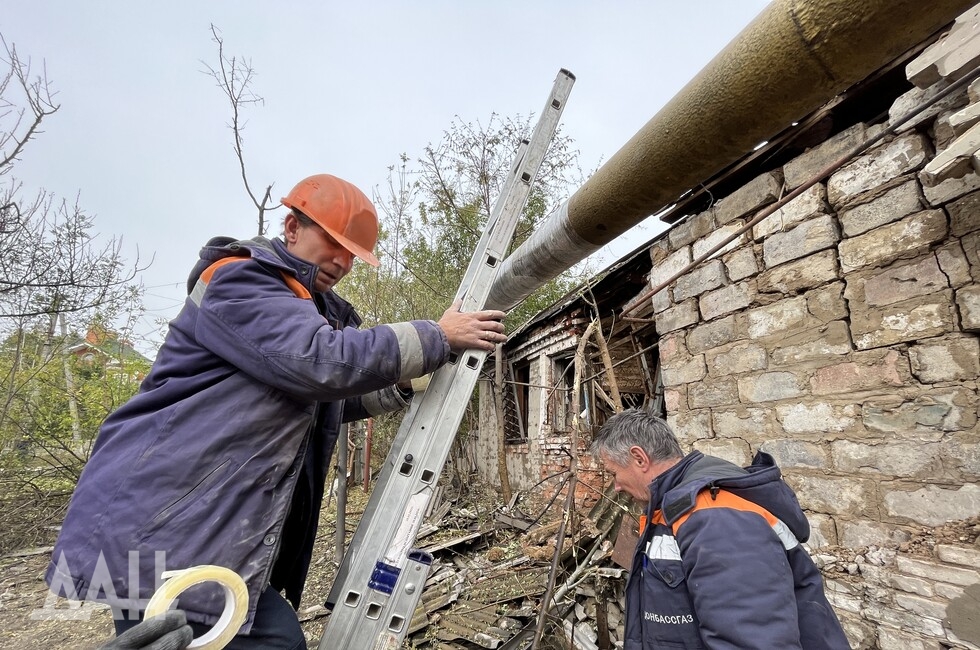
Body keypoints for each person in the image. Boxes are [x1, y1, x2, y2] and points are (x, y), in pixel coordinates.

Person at [46, 173, 508, 649]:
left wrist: (399, 387)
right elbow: (319, 361)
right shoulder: (239, 279)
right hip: (165, 518)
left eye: (352, 254)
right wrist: (436, 335)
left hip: (198, 523)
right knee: (273, 641)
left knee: (266, 639)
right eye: (332, 242)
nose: (342, 262)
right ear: (291, 227)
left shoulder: (303, 305)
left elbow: (320, 398)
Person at [589, 408, 849, 649]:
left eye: (613, 473)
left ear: (639, 458)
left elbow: (752, 639)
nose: (617, 487)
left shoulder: (714, 517)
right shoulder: (671, 508)